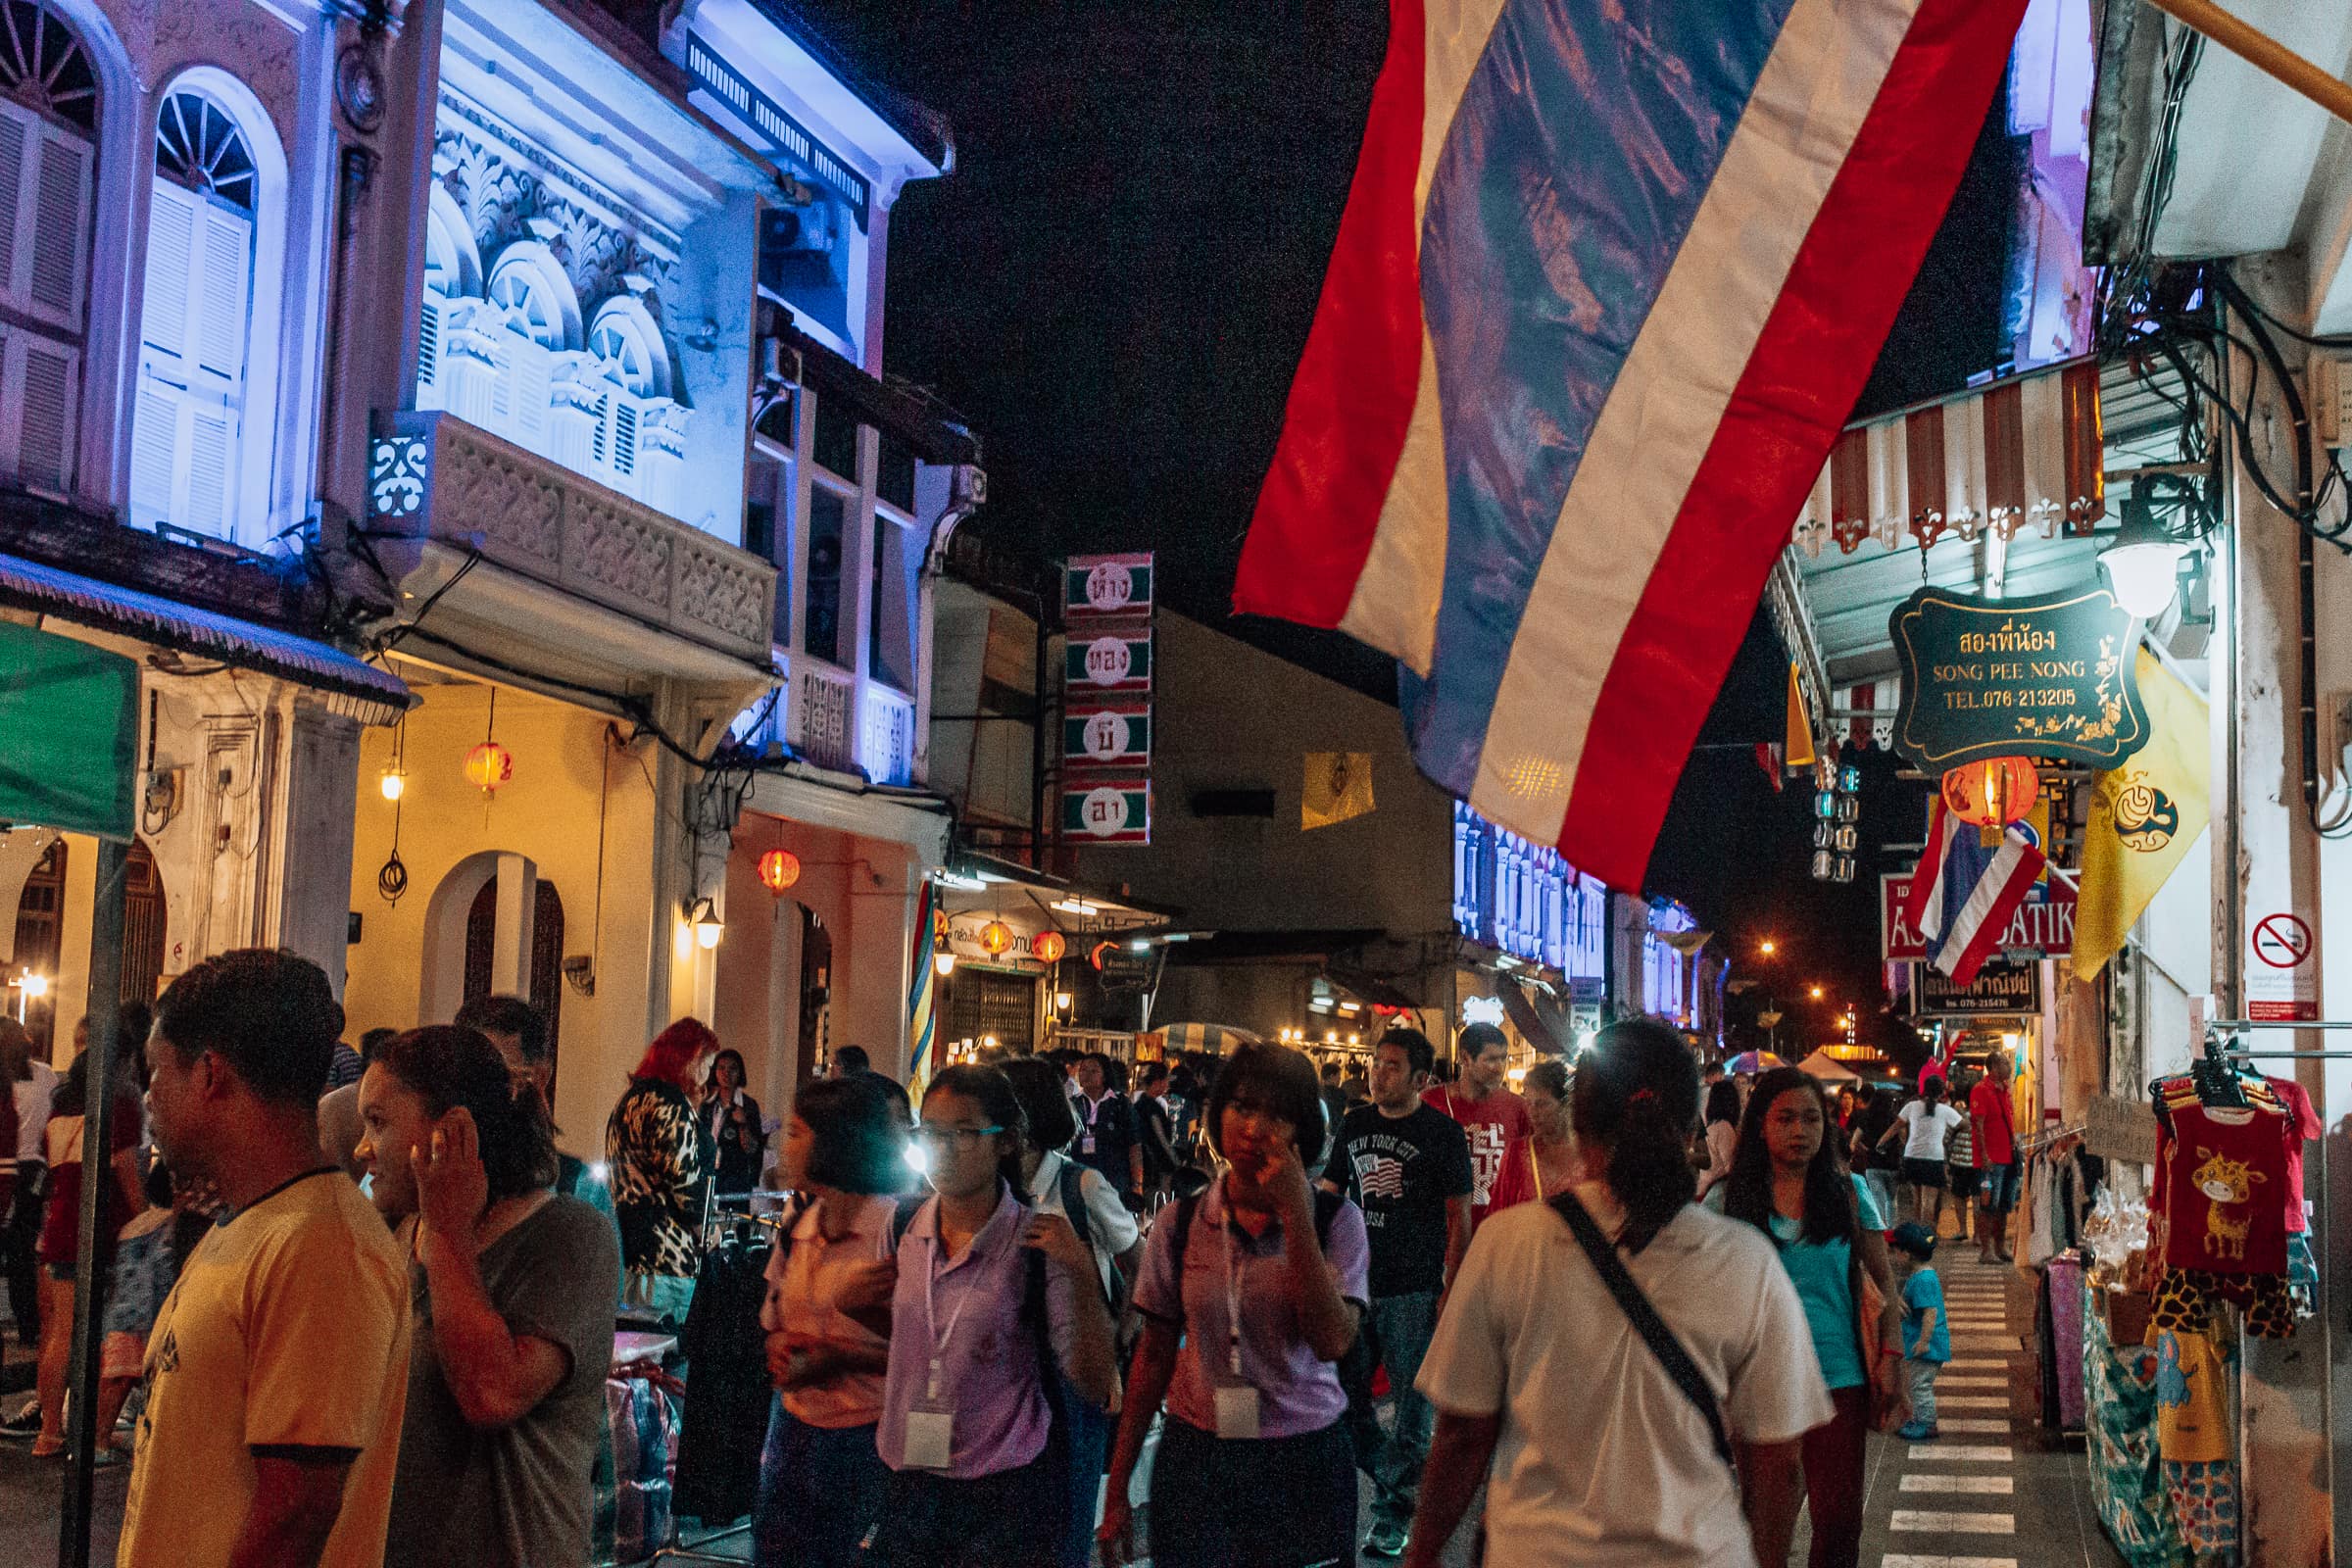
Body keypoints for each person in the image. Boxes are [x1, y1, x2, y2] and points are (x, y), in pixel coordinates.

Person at [1403, 1018, 1827, 1568]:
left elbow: (1462, 1434)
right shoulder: (1746, 1261)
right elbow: (1774, 1462)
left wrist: (1422, 1553)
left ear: (1581, 1123)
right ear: (1691, 1128)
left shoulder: (1507, 1245)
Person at [121, 949, 412, 1568]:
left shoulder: (321, 1246)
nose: (147, 1096)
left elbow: (296, 1513)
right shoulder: (252, 1225)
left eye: (156, 1072)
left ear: (210, 1074)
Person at [1102, 1041, 1368, 1568]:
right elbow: (1152, 1357)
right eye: (1243, 1107)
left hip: (1304, 1458)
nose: (1255, 1128)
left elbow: (1332, 1339)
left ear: (1303, 1130)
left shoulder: (1337, 1222)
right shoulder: (1179, 1224)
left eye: (1278, 1114)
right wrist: (1117, 1491)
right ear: (1218, 1113)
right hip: (1197, 1458)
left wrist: (1294, 1211)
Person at [362, 1025, 620, 1567]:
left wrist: (448, 1233)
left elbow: (492, 1393)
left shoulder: (570, 1237)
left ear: (450, 1131)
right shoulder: (393, 1232)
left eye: (378, 1123)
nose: (363, 1148)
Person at [869, 1063, 1115, 1567]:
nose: (941, 1147)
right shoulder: (900, 1229)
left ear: (1006, 1141)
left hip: (1003, 1493)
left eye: (962, 1132)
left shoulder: (1035, 1242)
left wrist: (1083, 1275)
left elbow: (1090, 1381)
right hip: (910, 1479)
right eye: (930, 1132)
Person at [1713, 1067, 1902, 1568]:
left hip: (1839, 1377)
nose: (1800, 1132)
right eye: (1787, 1119)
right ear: (1761, 1125)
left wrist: (1891, 1358)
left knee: (1839, 1523)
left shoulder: (1849, 1193)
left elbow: (1884, 1282)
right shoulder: (1728, 1199)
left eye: (1812, 1119)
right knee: (1761, 1522)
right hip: (1758, 1381)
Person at [1320, 1028, 1470, 1560]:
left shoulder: (1443, 1134)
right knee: (1343, 1398)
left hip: (1413, 1288)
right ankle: (1397, 1480)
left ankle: (1394, 1515)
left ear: (1421, 1079)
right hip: (1354, 1286)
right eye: (1375, 1063)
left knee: (1411, 1407)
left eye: (1390, 1066)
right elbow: (1331, 1195)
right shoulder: (1354, 1124)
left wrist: (1450, 1285)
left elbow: (1459, 1216)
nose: (1377, 1074)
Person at [757, 1075, 909, 1568]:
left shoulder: (896, 1227)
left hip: (870, 1445)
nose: (786, 1143)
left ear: (835, 1143)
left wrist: (839, 1357)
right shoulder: (799, 1222)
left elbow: (928, 1351)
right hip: (793, 1434)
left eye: (798, 1132)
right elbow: (774, 1319)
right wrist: (779, 1346)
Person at [1003, 1055, 1141, 1568]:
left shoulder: (1080, 1187)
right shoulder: (984, 1194)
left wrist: (1117, 1349)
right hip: (1004, 1372)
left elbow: (1140, 1271)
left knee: (1065, 1519)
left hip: (1071, 1380)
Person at [18, 1014, 144, 1455]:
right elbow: (127, 1171)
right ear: (124, 1058)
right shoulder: (121, 1104)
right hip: (102, 1229)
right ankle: (90, 1433)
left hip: (60, 1225)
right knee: (104, 1335)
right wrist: (145, 1217)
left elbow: (55, 1166)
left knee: (60, 1333)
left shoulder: (61, 1103)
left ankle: (49, 1430)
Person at [453, 994, 617, 1229]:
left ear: (540, 1076)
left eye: (498, 1078)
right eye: (468, 1076)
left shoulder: (578, 1190)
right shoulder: (433, 1178)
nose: (479, 1093)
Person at [607, 1017, 720, 1321]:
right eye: (707, 1065)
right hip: (665, 1253)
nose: (708, 1075)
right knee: (664, 1352)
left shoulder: (631, 1099)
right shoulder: (667, 1102)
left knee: (637, 1353)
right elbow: (684, 1181)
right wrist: (708, 1228)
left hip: (633, 1245)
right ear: (692, 1058)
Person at [1425, 1022, 1536, 1230]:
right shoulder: (1432, 1103)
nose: (1500, 1067)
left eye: (1504, 1058)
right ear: (1465, 1058)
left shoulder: (1518, 1108)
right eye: (1491, 1059)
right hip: (1442, 1231)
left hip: (1499, 1232)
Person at [0, 1018, 51, 1349]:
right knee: (23, 1252)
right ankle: (28, 1326)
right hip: (35, 1172)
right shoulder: (46, 1075)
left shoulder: (5, 1084)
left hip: (7, 1169)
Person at [1889, 1221, 1947, 1443]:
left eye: (1896, 1251)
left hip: (1928, 1347)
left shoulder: (1922, 1279)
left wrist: (1924, 1341)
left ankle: (1927, 1424)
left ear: (1906, 1253)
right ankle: (1920, 1419)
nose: (1894, 1257)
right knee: (1917, 1384)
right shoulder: (1922, 1275)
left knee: (1920, 1385)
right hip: (1924, 1344)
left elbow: (1930, 1313)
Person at [1881, 1077, 1964, 1229]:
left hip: (1912, 1156)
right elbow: (1963, 1124)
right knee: (1929, 1202)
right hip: (1934, 1157)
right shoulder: (1945, 1110)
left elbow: (1896, 1126)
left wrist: (1881, 1142)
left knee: (1917, 1200)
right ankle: (1927, 1235)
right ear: (1941, 1093)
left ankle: (1917, 1234)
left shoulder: (1912, 1107)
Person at [1072, 1053, 1142, 1207]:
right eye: (1083, 1070)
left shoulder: (1120, 1104)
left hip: (1114, 1181)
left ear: (1105, 1075)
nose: (1086, 1074)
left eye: (1093, 1071)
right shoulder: (1073, 1104)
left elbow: (1134, 1145)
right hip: (1079, 1179)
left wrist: (1137, 1185)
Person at [1969, 1054, 2020, 1263]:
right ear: (1995, 1067)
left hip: (2007, 1156)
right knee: (1988, 1205)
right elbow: (1978, 1125)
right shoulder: (1981, 1090)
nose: (2009, 1066)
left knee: (2004, 1205)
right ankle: (1986, 1250)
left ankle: (2000, 1246)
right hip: (1990, 1160)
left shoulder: (2005, 1091)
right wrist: (1984, 1155)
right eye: (2006, 1063)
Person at [703, 1048, 768, 1199]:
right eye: (721, 1068)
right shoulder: (707, 1104)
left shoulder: (748, 1105)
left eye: (733, 1068)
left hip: (735, 1181)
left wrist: (742, 1124)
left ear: (740, 1073)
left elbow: (753, 1149)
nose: (726, 1073)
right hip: (707, 1177)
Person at [1521, 1058, 1576, 1200]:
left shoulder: (1590, 1153)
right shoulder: (1518, 1153)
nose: (1533, 1112)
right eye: (1529, 1103)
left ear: (1566, 1104)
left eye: (1542, 1104)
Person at [1847, 1088, 1900, 1227]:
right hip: (1893, 1165)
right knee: (1892, 1200)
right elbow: (1903, 1139)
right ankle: (1891, 1230)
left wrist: (1866, 1149)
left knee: (1877, 1199)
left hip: (1873, 1165)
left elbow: (1854, 1140)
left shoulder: (1866, 1118)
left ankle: (1880, 1230)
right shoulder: (1895, 1119)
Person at [1133, 1060, 1180, 1204]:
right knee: (1161, 1204)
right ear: (1157, 1082)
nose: (1167, 1084)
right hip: (1158, 1166)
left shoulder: (1139, 1104)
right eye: (1165, 1080)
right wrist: (1175, 1160)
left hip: (1146, 1164)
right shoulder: (1151, 1107)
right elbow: (1161, 1138)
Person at [1694, 1076, 1742, 1202]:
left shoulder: (1712, 1125)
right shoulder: (1724, 1128)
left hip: (1703, 1190)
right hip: (1713, 1194)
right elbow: (1730, 1167)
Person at [1943, 1069, 1978, 1244]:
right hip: (1979, 1161)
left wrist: (1946, 1159)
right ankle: (1978, 1235)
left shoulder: (1957, 1115)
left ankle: (1963, 1230)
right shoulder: (1981, 1115)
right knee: (1978, 1197)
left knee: (1959, 1195)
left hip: (1959, 1162)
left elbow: (1946, 1139)